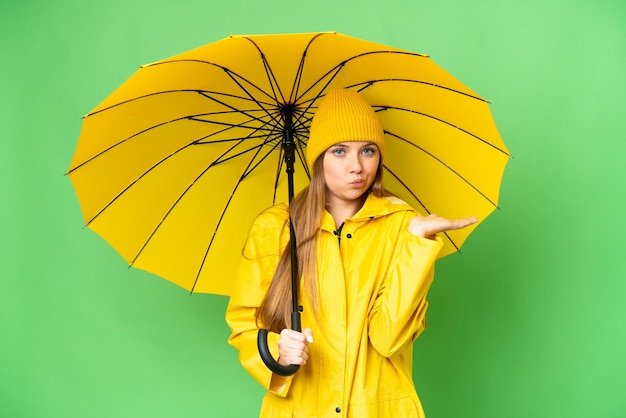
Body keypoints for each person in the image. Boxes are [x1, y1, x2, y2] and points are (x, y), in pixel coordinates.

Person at [225, 88, 477, 417]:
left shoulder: (402, 226)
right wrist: (278, 351)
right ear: (319, 159)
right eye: (340, 151)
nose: (356, 166)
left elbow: (389, 339)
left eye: (368, 151)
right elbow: (245, 324)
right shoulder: (274, 228)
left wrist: (417, 244)